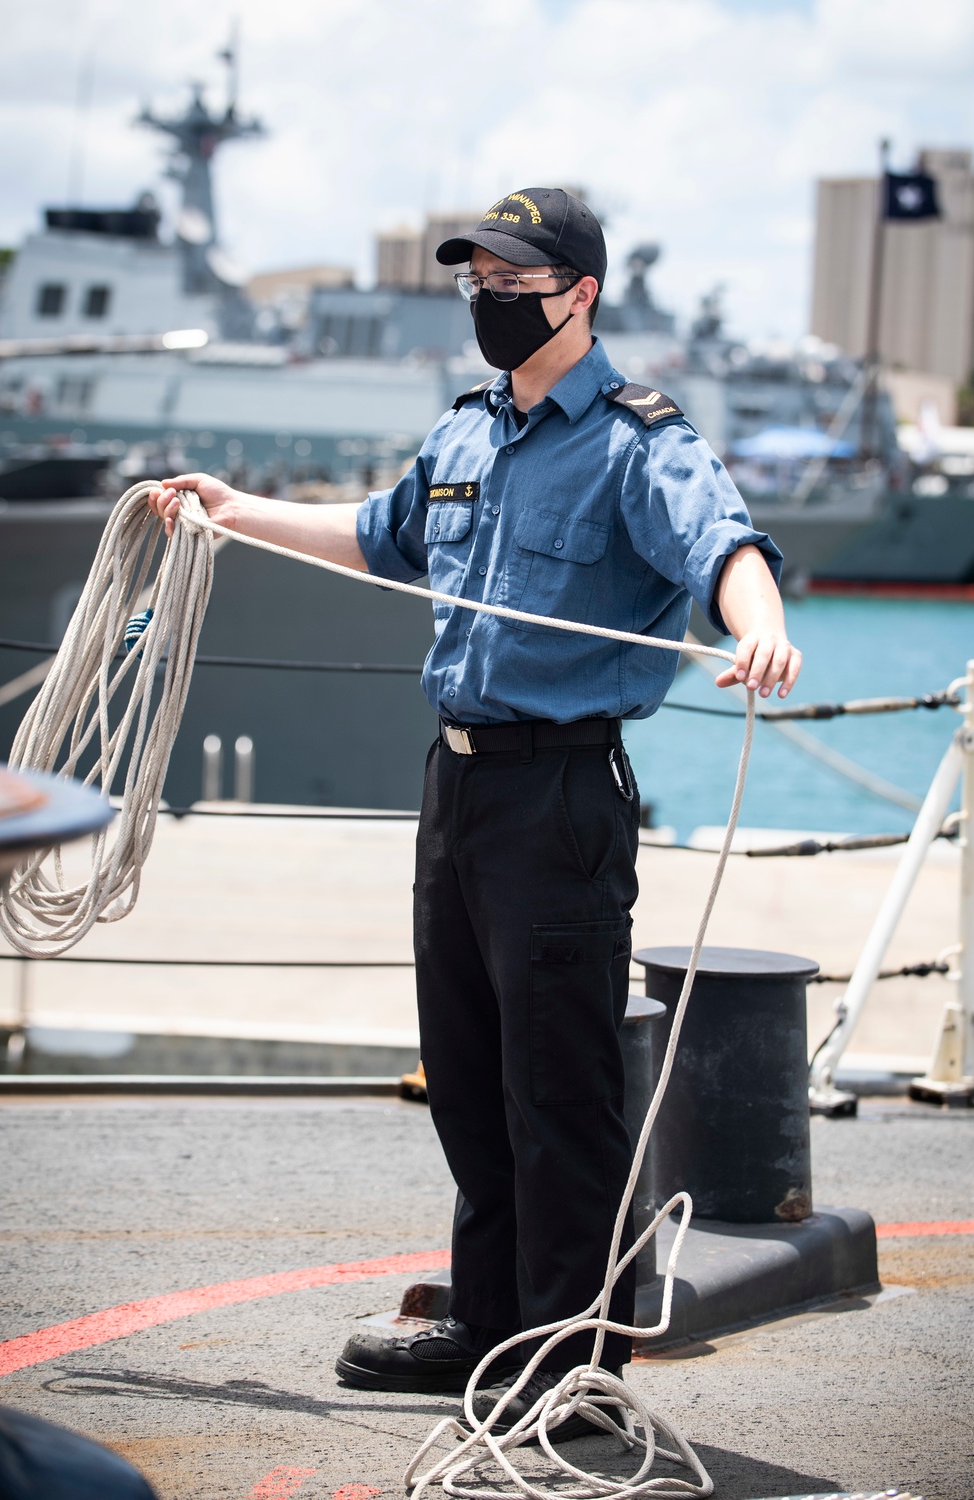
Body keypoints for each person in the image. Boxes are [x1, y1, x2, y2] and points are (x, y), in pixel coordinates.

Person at [150, 186, 800, 1441]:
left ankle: (569, 1354)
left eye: (512, 282)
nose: (488, 301)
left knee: (556, 1087)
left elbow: (722, 540)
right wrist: (232, 512)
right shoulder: (462, 436)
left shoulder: (634, 438)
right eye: (476, 281)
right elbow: (380, 536)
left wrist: (757, 623)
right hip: (454, 786)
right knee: (466, 1074)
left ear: (578, 294)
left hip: (558, 794)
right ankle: (492, 1322)